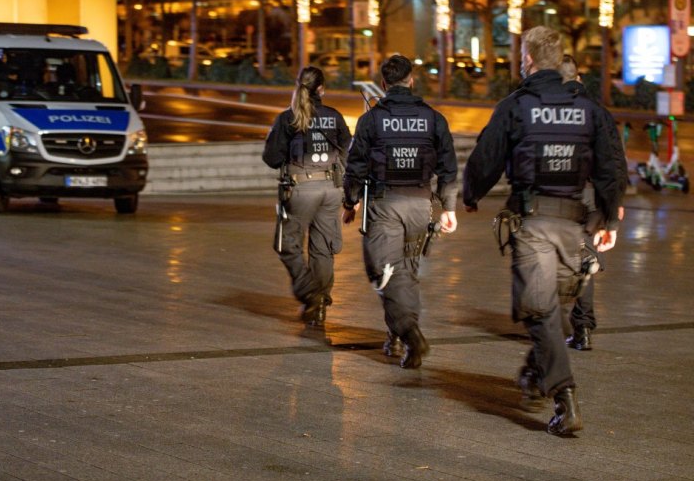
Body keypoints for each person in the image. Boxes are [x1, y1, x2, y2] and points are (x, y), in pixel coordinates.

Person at [463, 27, 622, 436]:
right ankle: (536, 375)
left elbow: (487, 157)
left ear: (529, 59)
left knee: (541, 310)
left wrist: (470, 195)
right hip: (575, 225)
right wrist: (609, 220)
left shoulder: (517, 105)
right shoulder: (589, 109)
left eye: (520, 55)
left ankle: (564, 395)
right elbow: (610, 165)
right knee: (548, 309)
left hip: (534, 224)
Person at [342, 54, 458, 369]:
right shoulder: (433, 118)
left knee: (382, 272)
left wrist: (350, 201)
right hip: (420, 205)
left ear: (383, 84)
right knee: (404, 271)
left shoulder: (371, 119)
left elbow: (355, 165)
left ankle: (410, 333)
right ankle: (399, 336)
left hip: (385, 206)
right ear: (411, 80)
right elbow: (449, 166)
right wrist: (448, 207)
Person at [262, 66, 351, 327]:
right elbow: (349, 152)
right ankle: (320, 304)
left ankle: (310, 294)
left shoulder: (288, 117)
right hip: (332, 189)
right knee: (323, 249)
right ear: (322, 89)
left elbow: (272, 157)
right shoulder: (334, 117)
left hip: (300, 188)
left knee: (287, 244)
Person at [559, 55, 628, 351]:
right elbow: (615, 161)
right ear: (579, 78)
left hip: (560, 194)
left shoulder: (546, 110)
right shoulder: (598, 112)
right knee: (583, 257)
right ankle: (583, 326)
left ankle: (553, 323)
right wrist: (615, 202)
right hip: (592, 195)